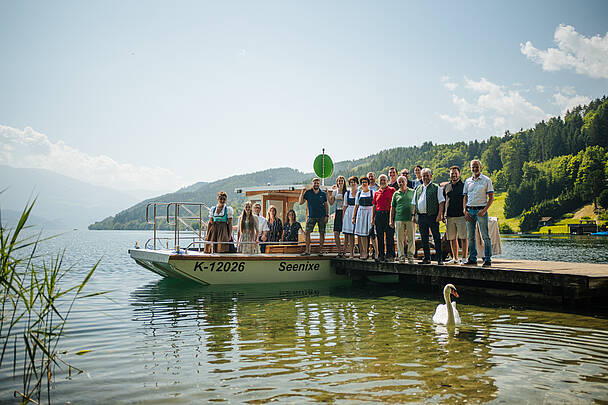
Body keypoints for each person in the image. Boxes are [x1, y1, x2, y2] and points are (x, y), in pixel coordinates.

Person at [463, 159, 495, 267]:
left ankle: (487, 259)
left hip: (481, 210)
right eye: (473, 167)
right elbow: (465, 197)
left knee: (485, 236)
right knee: (470, 236)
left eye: (477, 166)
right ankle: (472, 258)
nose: (475, 168)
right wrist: (465, 210)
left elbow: (491, 197)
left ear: (481, 167)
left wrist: (484, 210)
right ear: (470, 168)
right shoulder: (467, 181)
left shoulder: (486, 180)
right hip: (469, 210)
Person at [412, 168, 445, 265]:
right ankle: (427, 258)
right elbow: (414, 203)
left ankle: (440, 259)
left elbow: (441, 202)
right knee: (424, 238)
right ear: (421, 177)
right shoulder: (418, 189)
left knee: (436, 237)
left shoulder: (436, 187)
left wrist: (440, 215)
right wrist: (413, 215)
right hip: (421, 217)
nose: (425, 177)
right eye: (423, 176)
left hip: (432, 216)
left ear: (431, 176)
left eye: (427, 175)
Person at [443, 165, 468, 264]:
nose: (453, 175)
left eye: (455, 173)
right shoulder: (446, 186)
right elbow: (444, 201)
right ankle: (455, 258)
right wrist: (444, 215)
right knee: (452, 238)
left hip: (461, 216)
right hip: (449, 216)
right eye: (452, 173)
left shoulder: (464, 186)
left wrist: (466, 212)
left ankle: (465, 258)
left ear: (459, 174)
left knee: (463, 238)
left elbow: (467, 200)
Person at [299, 178, 329, 256]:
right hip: (311, 216)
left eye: (317, 183)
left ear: (319, 184)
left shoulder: (323, 194)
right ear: (312, 184)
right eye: (315, 183)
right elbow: (300, 202)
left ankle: (321, 251)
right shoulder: (308, 193)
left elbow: (326, 205)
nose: (316, 184)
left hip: (322, 216)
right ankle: (307, 250)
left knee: (322, 233)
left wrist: (327, 215)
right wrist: (302, 192)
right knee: (307, 232)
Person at [390, 175, 416, 263]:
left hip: (410, 218)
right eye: (399, 182)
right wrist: (391, 220)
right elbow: (392, 207)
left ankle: (410, 256)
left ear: (406, 182)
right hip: (399, 218)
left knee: (411, 238)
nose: (401, 183)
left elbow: (416, 204)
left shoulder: (413, 192)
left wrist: (415, 215)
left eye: (402, 181)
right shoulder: (396, 194)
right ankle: (401, 257)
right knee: (399, 238)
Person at [372, 174, 396, 261]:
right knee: (380, 236)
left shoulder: (392, 190)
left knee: (389, 236)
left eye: (384, 180)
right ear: (378, 181)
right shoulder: (376, 192)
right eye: (381, 180)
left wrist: (393, 217)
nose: (382, 181)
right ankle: (381, 255)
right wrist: (372, 218)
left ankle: (390, 255)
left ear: (387, 181)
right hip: (379, 215)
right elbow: (374, 206)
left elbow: (395, 204)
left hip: (389, 214)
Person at [353, 176, 374, 260]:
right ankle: (365, 253)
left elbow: (374, 205)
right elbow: (356, 205)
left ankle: (375, 252)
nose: (364, 184)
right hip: (361, 213)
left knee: (372, 233)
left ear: (368, 183)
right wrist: (353, 217)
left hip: (370, 212)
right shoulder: (359, 193)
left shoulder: (372, 192)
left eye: (365, 182)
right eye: (362, 182)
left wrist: (373, 216)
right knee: (362, 234)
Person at [328, 175, 347, 257]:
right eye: (339, 181)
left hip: (345, 212)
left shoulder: (347, 191)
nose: (340, 182)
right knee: (336, 232)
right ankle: (339, 250)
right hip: (338, 211)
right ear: (337, 182)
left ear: (344, 182)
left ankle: (345, 250)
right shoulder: (335, 191)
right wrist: (329, 193)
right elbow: (331, 203)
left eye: (342, 181)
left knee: (346, 232)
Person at [342, 176, 359, 258]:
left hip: (358, 212)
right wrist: (344, 217)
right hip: (349, 213)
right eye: (351, 182)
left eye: (354, 182)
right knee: (349, 234)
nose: (353, 183)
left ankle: (362, 252)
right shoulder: (347, 193)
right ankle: (350, 253)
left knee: (360, 233)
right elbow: (345, 206)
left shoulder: (360, 192)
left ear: (357, 183)